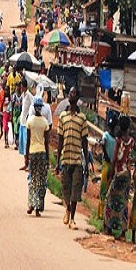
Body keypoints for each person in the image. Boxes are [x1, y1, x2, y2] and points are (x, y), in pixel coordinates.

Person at [55, 87, 88, 230]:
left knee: (75, 190)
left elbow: (85, 142)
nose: (71, 94)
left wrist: (86, 162)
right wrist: (57, 162)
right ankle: (67, 209)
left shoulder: (82, 119)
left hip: (76, 160)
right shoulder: (63, 117)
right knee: (66, 189)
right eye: (70, 93)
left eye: (73, 93)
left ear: (77, 97)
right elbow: (60, 140)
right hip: (65, 158)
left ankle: (73, 218)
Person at [104, 115, 136, 238]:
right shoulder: (131, 140)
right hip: (127, 174)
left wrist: (111, 174)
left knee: (109, 199)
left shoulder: (118, 140)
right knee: (124, 202)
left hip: (119, 172)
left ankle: (108, 227)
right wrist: (130, 160)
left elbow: (114, 158)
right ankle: (123, 231)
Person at [26, 97, 50, 216]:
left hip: (32, 152)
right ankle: (37, 208)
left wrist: (26, 157)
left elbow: (28, 140)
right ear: (41, 108)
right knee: (41, 180)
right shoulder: (45, 123)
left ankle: (31, 204)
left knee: (32, 179)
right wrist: (48, 159)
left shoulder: (30, 121)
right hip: (42, 153)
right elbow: (46, 142)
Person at [97, 115, 118, 219]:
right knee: (105, 188)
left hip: (110, 164)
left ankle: (104, 212)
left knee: (106, 188)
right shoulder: (110, 136)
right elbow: (103, 144)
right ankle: (102, 213)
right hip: (109, 164)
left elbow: (103, 144)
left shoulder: (112, 137)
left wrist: (105, 154)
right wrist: (106, 154)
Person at [19, 78, 33, 170]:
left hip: (26, 123)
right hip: (22, 121)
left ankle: (29, 164)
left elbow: (32, 106)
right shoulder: (23, 95)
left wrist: (29, 116)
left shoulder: (29, 96)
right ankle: (25, 162)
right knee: (23, 144)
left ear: (24, 87)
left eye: (21, 87)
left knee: (27, 144)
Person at [10, 81, 23, 150]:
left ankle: (19, 144)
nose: (18, 88)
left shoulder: (22, 96)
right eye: (17, 86)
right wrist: (11, 115)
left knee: (19, 129)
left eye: (19, 86)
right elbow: (12, 106)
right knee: (15, 130)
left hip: (21, 114)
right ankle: (17, 143)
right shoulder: (14, 96)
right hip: (15, 114)